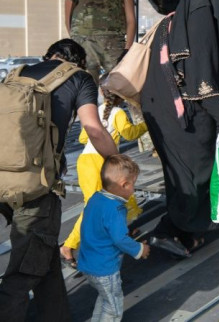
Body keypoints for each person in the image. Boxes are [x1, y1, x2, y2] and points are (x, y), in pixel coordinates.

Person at [0, 39, 118, 322]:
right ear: (76, 62)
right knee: (23, 274)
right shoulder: (79, 79)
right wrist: (118, 161)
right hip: (34, 188)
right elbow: (94, 129)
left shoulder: (15, 75)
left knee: (43, 254)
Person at [141, 0, 219, 258]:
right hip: (186, 119)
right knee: (196, 177)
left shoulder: (172, 23)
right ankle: (172, 232)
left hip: (162, 113)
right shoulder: (199, 25)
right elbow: (202, 84)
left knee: (180, 178)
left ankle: (184, 234)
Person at [60, 85, 148, 267]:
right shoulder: (117, 113)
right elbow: (130, 134)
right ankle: (68, 246)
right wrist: (148, 123)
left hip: (86, 161)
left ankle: (122, 232)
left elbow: (84, 138)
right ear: (120, 97)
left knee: (115, 199)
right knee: (95, 206)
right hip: (102, 161)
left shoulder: (95, 111)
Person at [77, 154, 150, 322]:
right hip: (105, 270)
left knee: (105, 300)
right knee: (114, 308)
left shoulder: (96, 198)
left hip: (88, 265)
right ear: (124, 185)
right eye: (133, 184)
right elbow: (119, 240)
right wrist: (140, 249)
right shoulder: (116, 209)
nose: (133, 189)